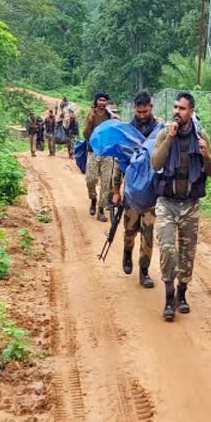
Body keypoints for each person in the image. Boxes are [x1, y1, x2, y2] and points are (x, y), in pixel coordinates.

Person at [151, 92, 211, 321]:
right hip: (166, 202)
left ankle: (182, 293)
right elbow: (155, 163)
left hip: (190, 204)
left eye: (182, 108)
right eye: (176, 107)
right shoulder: (164, 133)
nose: (177, 112)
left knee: (187, 254)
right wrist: (169, 138)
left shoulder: (201, 136)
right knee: (168, 249)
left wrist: (207, 156)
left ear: (191, 112)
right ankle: (169, 297)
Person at [112, 90, 160, 288]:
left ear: (151, 107)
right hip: (131, 192)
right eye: (139, 111)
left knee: (148, 234)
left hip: (152, 192)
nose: (141, 115)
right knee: (130, 231)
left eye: (145, 111)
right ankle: (127, 252)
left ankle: (144, 271)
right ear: (135, 108)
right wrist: (116, 190)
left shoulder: (159, 130)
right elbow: (119, 162)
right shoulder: (128, 130)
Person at [84, 92, 115, 222]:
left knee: (106, 182)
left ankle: (101, 210)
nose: (102, 102)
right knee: (90, 179)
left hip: (107, 152)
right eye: (100, 100)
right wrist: (89, 123)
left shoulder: (109, 116)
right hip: (93, 151)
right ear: (96, 101)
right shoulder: (91, 115)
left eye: (104, 101)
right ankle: (93, 199)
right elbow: (86, 135)